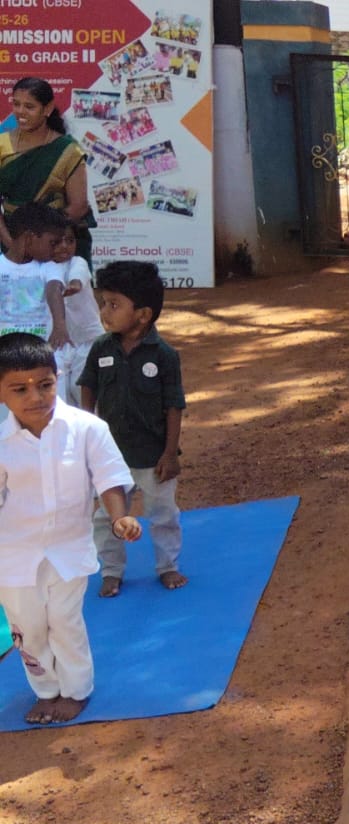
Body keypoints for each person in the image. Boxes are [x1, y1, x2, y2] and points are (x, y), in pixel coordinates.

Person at [0, 332, 140, 725]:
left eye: (45, 384)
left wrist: (119, 517)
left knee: (64, 620)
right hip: (13, 553)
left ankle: (76, 690)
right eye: (19, 389)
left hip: (69, 547)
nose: (36, 397)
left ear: (57, 378)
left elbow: (109, 477)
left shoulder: (87, 428)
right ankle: (46, 690)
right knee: (28, 627)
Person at [77, 261, 187, 596]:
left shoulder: (164, 355)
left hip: (153, 457)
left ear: (142, 315)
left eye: (114, 304)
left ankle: (168, 566)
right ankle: (111, 571)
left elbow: (174, 405)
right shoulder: (101, 348)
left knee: (163, 514)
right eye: (103, 303)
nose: (104, 312)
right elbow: (88, 387)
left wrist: (170, 453)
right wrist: (86, 433)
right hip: (110, 457)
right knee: (105, 517)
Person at [0, 78, 94, 263]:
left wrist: (45, 243)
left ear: (48, 109)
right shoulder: (2, 144)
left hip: (56, 246)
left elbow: (79, 206)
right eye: (16, 104)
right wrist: (13, 244)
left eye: (29, 106)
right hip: (10, 239)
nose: (20, 112)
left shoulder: (68, 150)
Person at [0, 204, 69, 363]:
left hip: (44, 352)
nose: (57, 249)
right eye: (53, 243)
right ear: (29, 238)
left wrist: (59, 325)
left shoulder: (50, 266)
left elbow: (54, 290)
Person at [47, 226, 101, 406]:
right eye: (57, 241)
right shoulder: (43, 267)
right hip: (57, 342)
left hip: (86, 340)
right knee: (59, 393)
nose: (64, 246)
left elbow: (77, 278)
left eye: (70, 241)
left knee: (82, 389)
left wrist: (75, 285)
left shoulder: (78, 262)